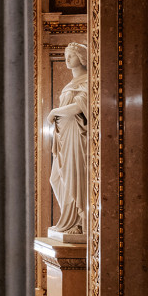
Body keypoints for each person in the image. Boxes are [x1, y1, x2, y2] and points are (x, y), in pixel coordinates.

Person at [48, 42, 88, 234]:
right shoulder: (70, 84)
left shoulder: (88, 81)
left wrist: (55, 110)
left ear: (81, 58)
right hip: (62, 137)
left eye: (71, 55)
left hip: (76, 136)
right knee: (55, 178)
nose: (67, 59)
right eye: (65, 55)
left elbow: (80, 107)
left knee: (74, 177)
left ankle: (78, 222)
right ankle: (67, 217)